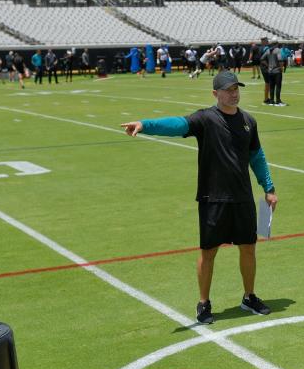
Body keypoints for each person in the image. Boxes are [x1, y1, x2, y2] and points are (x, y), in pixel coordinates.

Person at [120, 71, 278, 326]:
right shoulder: (205, 119)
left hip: (243, 197)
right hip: (212, 198)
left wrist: (269, 188)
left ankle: (249, 297)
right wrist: (145, 125)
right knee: (209, 252)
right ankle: (203, 303)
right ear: (216, 94)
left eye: (236, 88)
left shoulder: (249, 121)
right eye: (228, 89)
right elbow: (178, 125)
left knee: (248, 248)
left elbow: (256, 157)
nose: (234, 93)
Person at [265, 42, 285, 106]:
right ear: (276, 44)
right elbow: (280, 59)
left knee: (271, 87)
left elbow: (262, 59)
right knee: (278, 86)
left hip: (270, 71)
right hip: (277, 71)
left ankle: (271, 100)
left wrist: (268, 65)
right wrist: (281, 67)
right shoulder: (277, 50)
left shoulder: (267, 51)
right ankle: (278, 101)